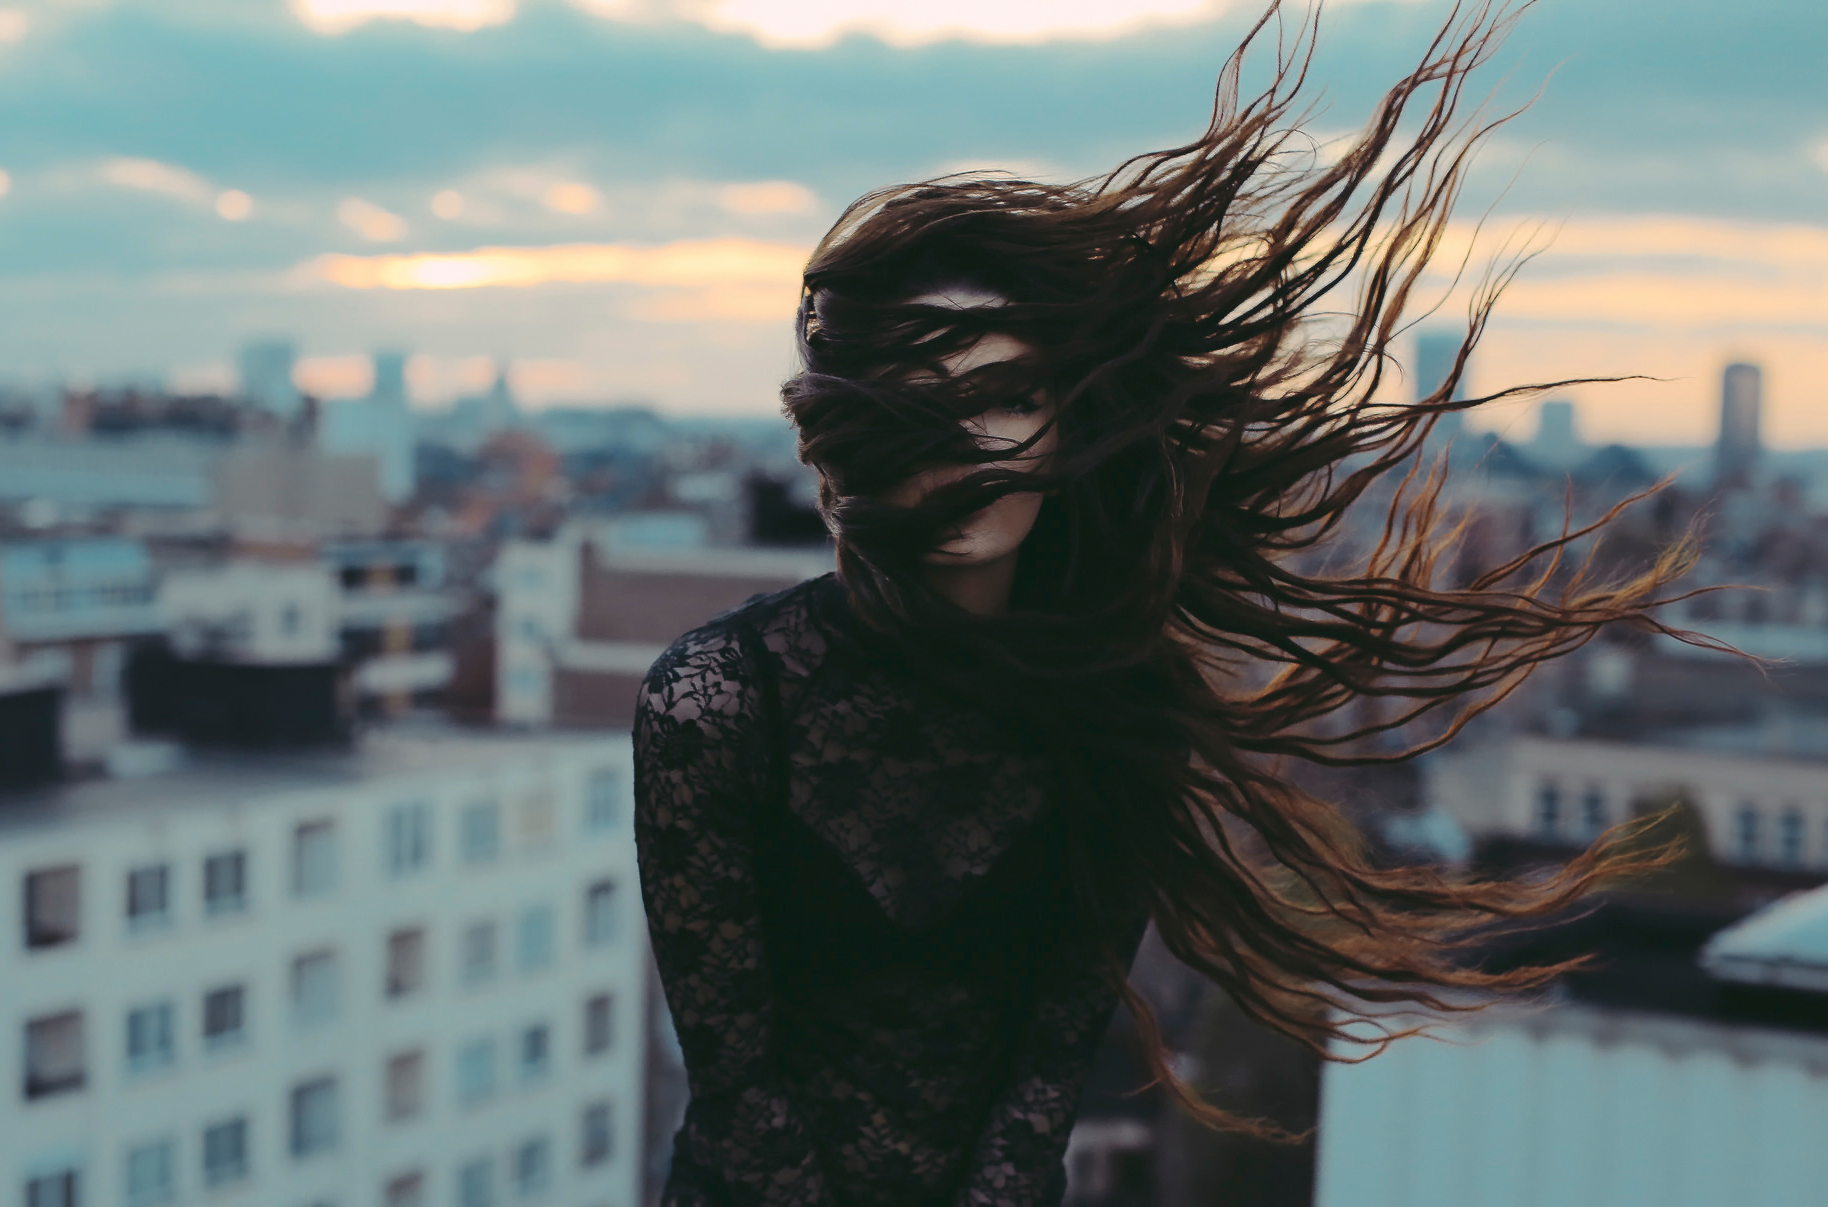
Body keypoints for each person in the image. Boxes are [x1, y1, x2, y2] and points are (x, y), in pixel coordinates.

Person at [632, 2, 1693, 1204]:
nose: (968, 446)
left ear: (1068, 415)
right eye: (917, 399)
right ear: (849, 438)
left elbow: (1037, 1093)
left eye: (1004, 393)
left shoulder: (1114, 705)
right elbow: (738, 1090)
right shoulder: (716, 700)